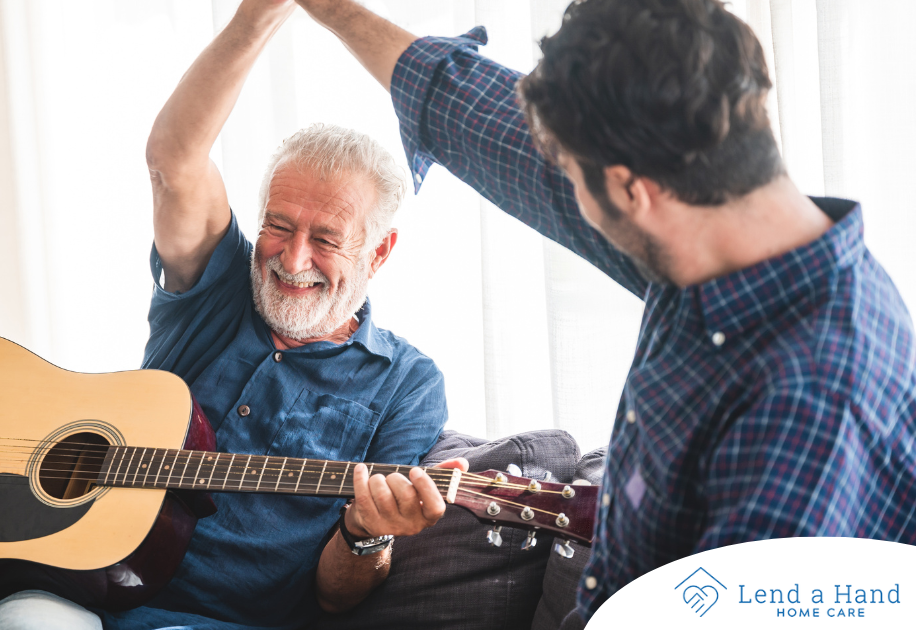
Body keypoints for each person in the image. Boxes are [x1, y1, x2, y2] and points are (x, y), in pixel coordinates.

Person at [296, 0, 916, 623]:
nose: (563, 189)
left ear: (630, 191)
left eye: (573, 175)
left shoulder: (810, 405)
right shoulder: (711, 215)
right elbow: (479, 119)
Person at [0, 2, 466, 629]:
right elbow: (173, 163)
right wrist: (257, 17)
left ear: (379, 250)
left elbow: (337, 597)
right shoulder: (219, 285)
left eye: (326, 239)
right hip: (72, 591)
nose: (292, 259)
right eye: (278, 226)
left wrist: (368, 533)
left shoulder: (407, 382)